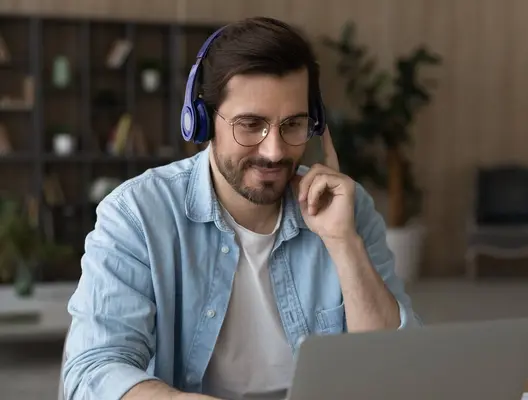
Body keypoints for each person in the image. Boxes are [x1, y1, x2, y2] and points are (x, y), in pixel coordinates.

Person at [61, 16, 420, 400]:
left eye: (293, 124)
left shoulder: (346, 209)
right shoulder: (137, 214)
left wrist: (343, 243)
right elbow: (92, 371)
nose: (275, 151)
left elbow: (393, 368)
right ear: (201, 121)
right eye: (251, 125)